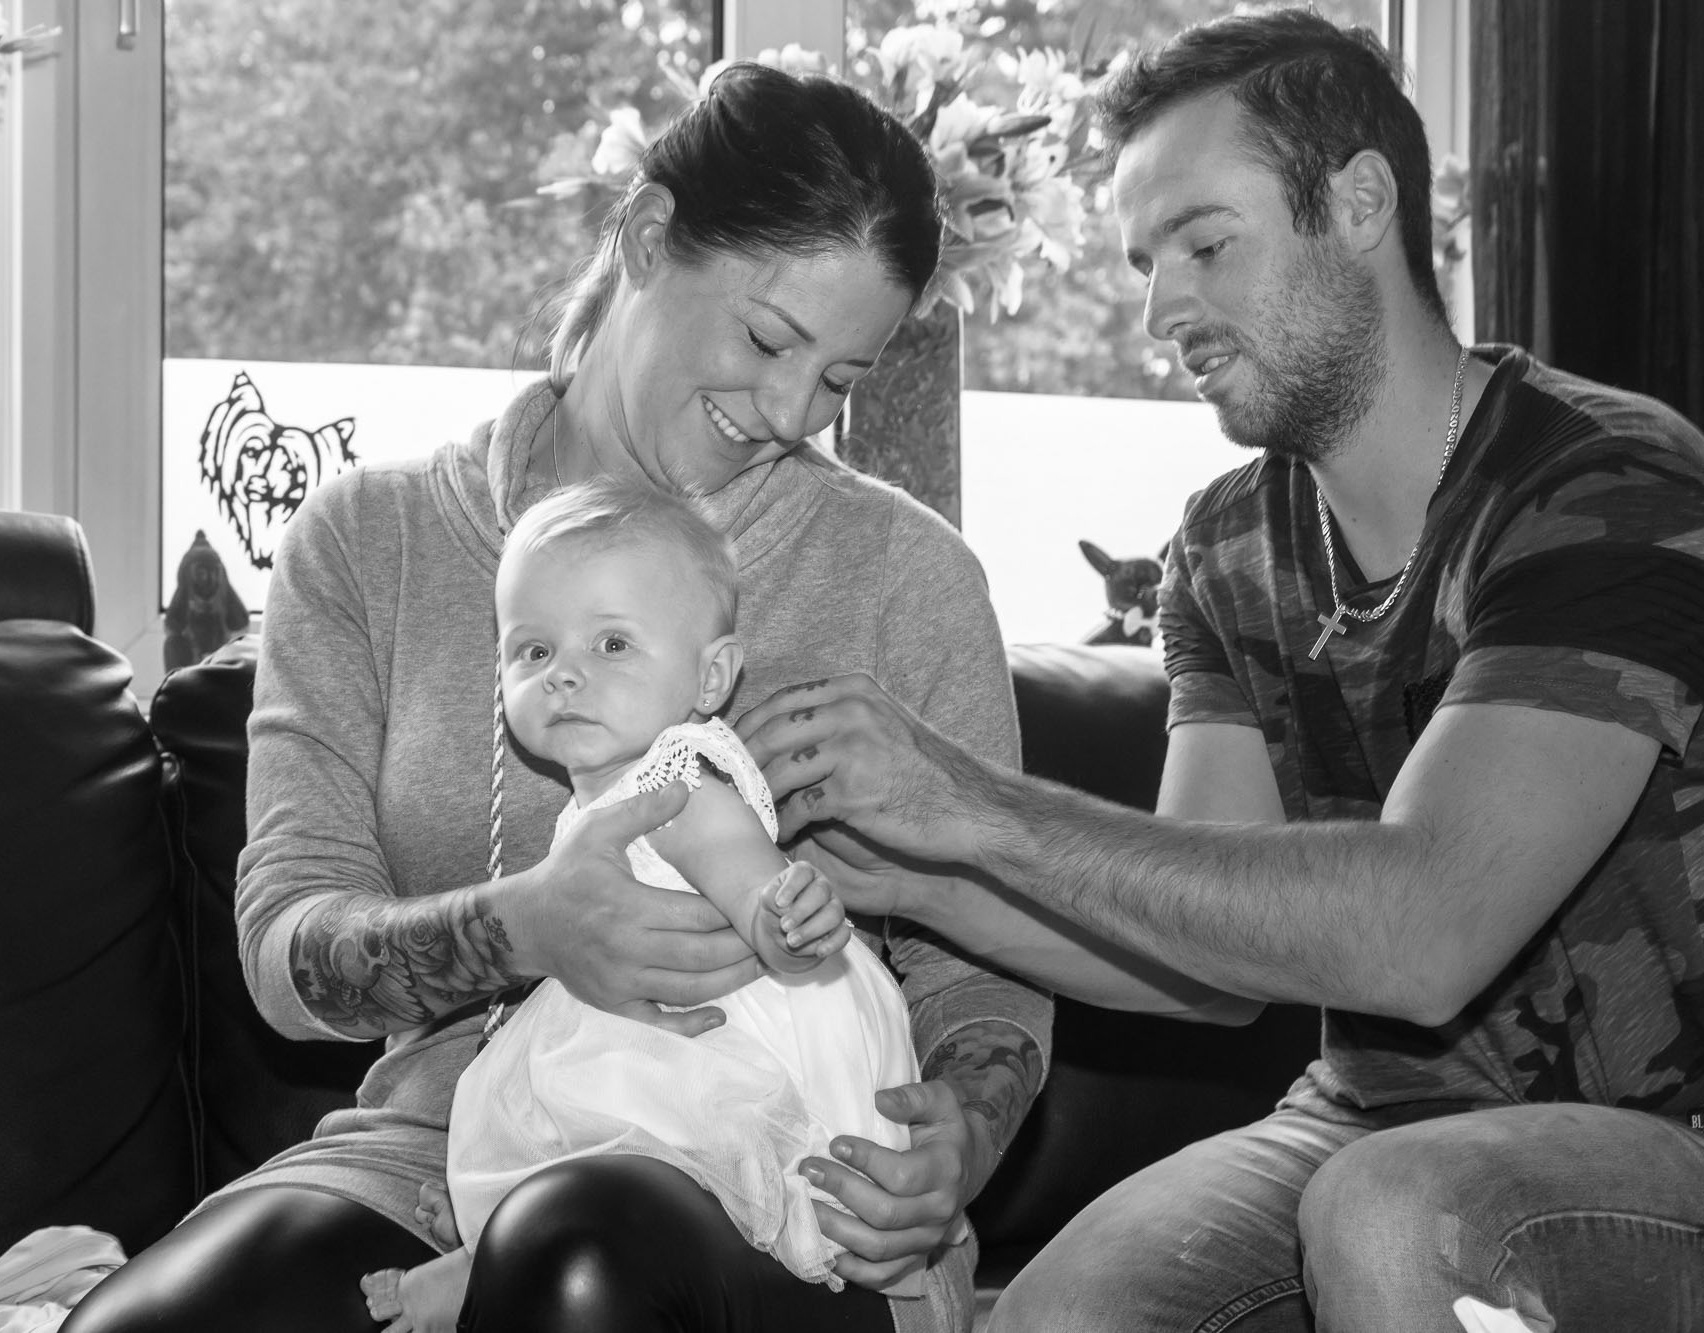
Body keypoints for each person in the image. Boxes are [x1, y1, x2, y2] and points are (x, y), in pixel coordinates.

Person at [737, 9, 1704, 1331]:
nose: (1159, 310)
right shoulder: (1226, 547)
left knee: (1393, 1214)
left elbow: (1428, 929)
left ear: (1360, 204)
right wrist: (910, 878)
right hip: (1366, 1118)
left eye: (1205, 244)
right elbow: (1202, 962)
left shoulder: (1607, 485)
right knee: (1050, 1319)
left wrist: (969, 802)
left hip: (1664, 1134)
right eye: (1146, 263)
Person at [63, 62, 1049, 1333]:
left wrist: (957, 1137)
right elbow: (286, 954)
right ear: (647, 235)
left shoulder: (907, 576)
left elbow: (990, 978)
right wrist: (526, 925)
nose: (789, 411)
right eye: (767, 340)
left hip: (788, 1178)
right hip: (430, 1160)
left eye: (839, 381)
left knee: (576, 1259)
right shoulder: (372, 539)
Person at [358, 477, 927, 1332]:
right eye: (533, 650)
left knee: (624, 1112)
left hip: (726, 1043)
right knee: (583, 1109)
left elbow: (751, 879)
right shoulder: (605, 792)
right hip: (661, 1027)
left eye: (613, 643)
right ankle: (502, 1223)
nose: (564, 673)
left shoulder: (676, 782)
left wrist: (786, 919)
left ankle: (489, 1256)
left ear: (711, 676)